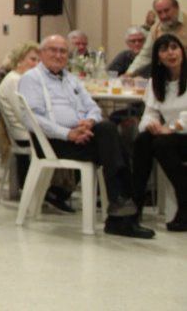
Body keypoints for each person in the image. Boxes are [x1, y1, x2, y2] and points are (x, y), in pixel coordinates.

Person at [18, 35, 155, 238]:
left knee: (110, 133)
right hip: (52, 142)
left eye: (63, 51)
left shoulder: (71, 78)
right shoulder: (32, 79)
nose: (58, 55)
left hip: (82, 135)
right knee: (112, 139)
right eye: (53, 50)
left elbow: (93, 107)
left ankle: (122, 212)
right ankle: (122, 214)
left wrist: (89, 122)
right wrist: (68, 134)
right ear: (41, 54)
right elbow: (33, 119)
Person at [0, 41, 74, 211]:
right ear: (19, 60)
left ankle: (56, 190)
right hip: (26, 134)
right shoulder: (15, 81)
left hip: (30, 131)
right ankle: (56, 192)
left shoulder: (22, 79)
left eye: (39, 60)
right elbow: (26, 117)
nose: (37, 64)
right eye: (32, 59)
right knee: (77, 141)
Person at [132, 34, 187, 231]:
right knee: (143, 140)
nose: (170, 52)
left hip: (181, 133)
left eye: (174, 47)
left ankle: (185, 201)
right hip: (172, 137)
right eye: (164, 49)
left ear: (182, 50)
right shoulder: (156, 82)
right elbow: (149, 114)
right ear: (158, 57)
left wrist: (171, 128)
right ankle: (134, 206)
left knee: (161, 143)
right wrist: (151, 125)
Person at [127, 0, 187, 76]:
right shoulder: (155, 29)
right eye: (159, 12)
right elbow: (145, 56)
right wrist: (129, 74)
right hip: (167, 77)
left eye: (166, 11)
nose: (163, 16)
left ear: (177, 8)